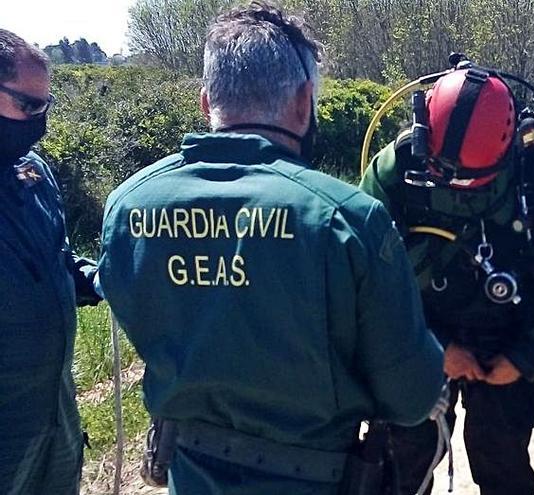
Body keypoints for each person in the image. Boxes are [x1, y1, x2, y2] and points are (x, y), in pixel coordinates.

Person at [97, 3, 444, 494]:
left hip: (189, 473)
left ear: (205, 103)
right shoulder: (347, 218)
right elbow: (410, 397)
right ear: (304, 102)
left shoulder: (127, 206)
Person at [360, 66, 534, 495]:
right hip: (416, 333)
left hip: (510, 338)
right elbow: (362, 283)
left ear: (507, 149)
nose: (458, 185)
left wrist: (526, 356)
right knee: (401, 461)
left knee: (499, 455)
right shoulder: (393, 173)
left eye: (472, 179)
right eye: (446, 175)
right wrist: (432, 348)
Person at [0, 28, 101, 495]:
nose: (40, 120)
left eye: (47, 106)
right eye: (29, 106)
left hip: (54, 405)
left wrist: (97, 278)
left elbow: (57, 256)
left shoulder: (33, 172)